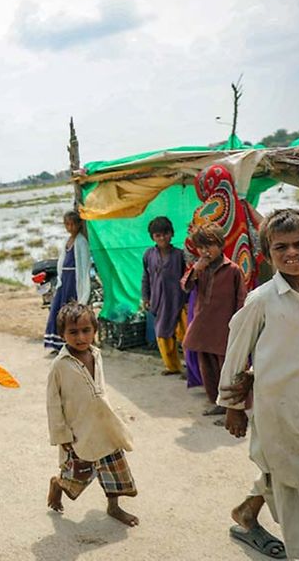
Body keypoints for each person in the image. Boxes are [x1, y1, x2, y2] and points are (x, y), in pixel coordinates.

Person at [218, 209, 299, 561]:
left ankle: (248, 512)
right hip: (279, 406)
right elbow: (236, 354)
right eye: (281, 247)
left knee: (289, 465)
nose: (292, 253)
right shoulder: (261, 300)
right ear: (268, 254)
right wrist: (232, 407)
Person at [46, 302, 138, 527]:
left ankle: (113, 506)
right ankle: (58, 485)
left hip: (105, 427)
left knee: (116, 472)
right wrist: (62, 436)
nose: (80, 337)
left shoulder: (96, 354)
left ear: (94, 331)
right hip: (78, 432)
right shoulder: (60, 366)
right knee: (76, 478)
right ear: (62, 334)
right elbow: (53, 404)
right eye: (73, 332)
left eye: (86, 330)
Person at [180, 223, 246, 416]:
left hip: (225, 326)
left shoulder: (232, 269)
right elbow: (185, 286)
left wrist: (239, 324)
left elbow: (241, 298)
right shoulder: (200, 268)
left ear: (220, 244)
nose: (204, 251)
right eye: (200, 247)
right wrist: (196, 269)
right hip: (203, 325)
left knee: (227, 368)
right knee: (207, 366)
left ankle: (231, 407)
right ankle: (216, 402)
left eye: (209, 246)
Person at [141, 216, 187, 375]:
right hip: (159, 301)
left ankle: (192, 370)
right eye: (158, 235)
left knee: (185, 335)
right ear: (153, 237)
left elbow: (187, 278)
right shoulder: (148, 255)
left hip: (179, 300)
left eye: (165, 234)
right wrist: (145, 297)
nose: (162, 238)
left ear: (172, 234)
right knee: (163, 334)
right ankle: (172, 366)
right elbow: (145, 277)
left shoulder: (180, 255)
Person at [44, 211, 91, 352]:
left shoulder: (81, 241)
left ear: (79, 224)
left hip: (74, 282)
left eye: (72, 224)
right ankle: (58, 343)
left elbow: (84, 266)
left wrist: (83, 287)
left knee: (70, 314)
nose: (70, 227)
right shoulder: (68, 241)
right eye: (67, 224)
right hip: (64, 281)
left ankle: (71, 344)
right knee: (57, 312)